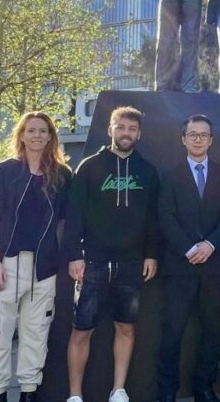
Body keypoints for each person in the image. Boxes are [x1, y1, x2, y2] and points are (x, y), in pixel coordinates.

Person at [64, 106, 160, 402]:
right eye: (121, 127)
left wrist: (151, 254)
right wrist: (74, 255)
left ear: (139, 134)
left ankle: (118, 390)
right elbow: (74, 214)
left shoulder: (147, 170)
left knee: (126, 327)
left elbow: (153, 218)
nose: (126, 133)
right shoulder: (90, 166)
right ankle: (75, 395)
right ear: (110, 130)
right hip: (92, 261)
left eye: (132, 129)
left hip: (131, 263)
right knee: (82, 330)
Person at [0, 112, 71, 402]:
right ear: (21, 134)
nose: (37, 136)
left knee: (36, 334)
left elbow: (65, 222)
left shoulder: (62, 175)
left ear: (51, 136)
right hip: (5, 264)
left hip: (43, 268)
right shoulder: (4, 171)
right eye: (31, 130)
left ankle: (29, 394)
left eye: (43, 130)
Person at [156, 114, 220, 402]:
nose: (198, 139)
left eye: (204, 135)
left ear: (211, 140)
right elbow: (165, 216)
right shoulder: (170, 176)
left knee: (211, 331)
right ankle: (167, 390)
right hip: (180, 266)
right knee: (172, 330)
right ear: (183, 139)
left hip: (214, 266)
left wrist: (209, 245)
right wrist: (189, 249)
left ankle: (204, 388)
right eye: (193, 134)